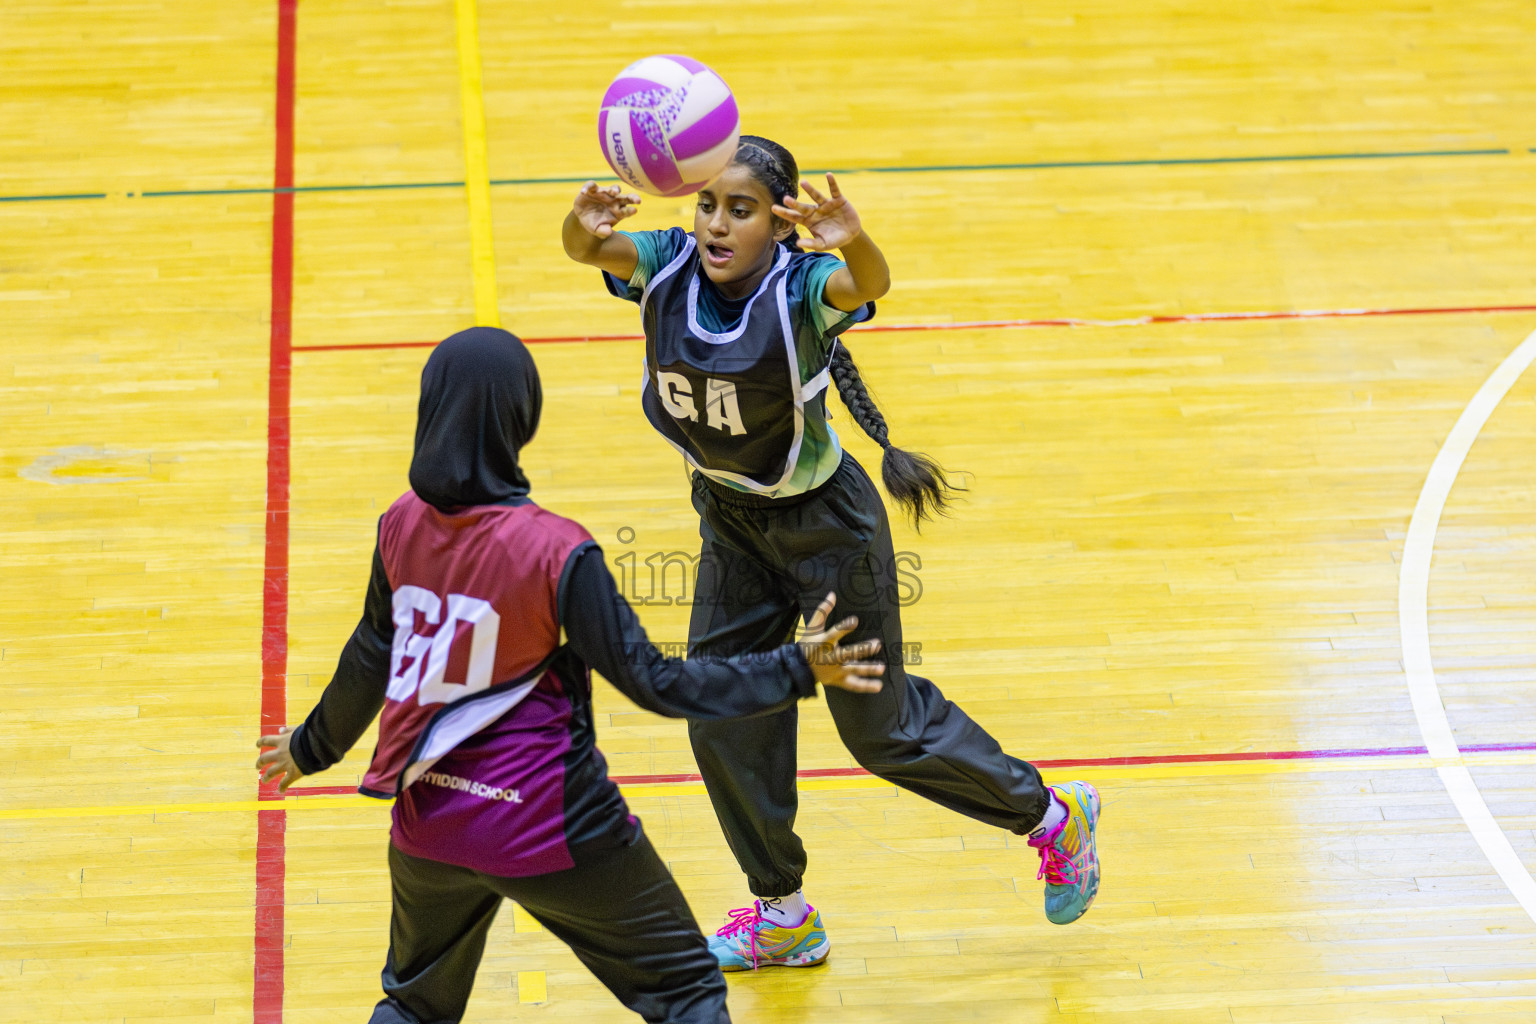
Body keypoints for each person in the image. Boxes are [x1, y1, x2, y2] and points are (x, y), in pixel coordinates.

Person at [561, 136, 1103, 971]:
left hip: (828, 532)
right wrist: (581, 224)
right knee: (723, 713)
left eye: (740, 211)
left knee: (879, 733)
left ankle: (1051, 817)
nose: (716, 224)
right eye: (707, 204)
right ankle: (782, 914)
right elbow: (592, 248)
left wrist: (851, 237)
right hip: (733, 524)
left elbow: (869, 284)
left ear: (778, 225)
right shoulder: (667, 264)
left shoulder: (804, 286)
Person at [253, 326, 886, 1024]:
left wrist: (310, 747)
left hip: (425, 825)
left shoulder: (399, 524)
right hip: (547, 821)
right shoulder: (555, 550)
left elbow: (372, 651)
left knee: (412, 1005)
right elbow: (659, 685)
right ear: (521, 417)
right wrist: (799, 666)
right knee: (688, 996)